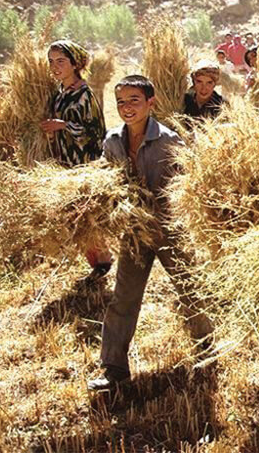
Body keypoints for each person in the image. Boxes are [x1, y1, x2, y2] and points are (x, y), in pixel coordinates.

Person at [88, 75, 213, 391]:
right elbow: (108, 180)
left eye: (134, 100)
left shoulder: (170, 140)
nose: (127, 108)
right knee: (123, 298)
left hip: (170, 230)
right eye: (121, 102)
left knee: (191, 293)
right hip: (135, 232)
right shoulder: (113, 141)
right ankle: (113, 366)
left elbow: (187, 184)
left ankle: (207, 352)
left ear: (150, 103)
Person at [42, 40, 111, 282]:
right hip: (66, 162)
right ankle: (94, 261)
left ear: (75, 64)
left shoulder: (84, 94)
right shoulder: (60, 95)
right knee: (75, 215)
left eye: (61, 61)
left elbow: (96, 131)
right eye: (51, 61)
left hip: (85, 163)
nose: (55, 66)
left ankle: (104, 262)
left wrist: (64, 126)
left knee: (88, 213)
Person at [182, 60, 229, 125]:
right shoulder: (183, 101)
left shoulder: (222, 105)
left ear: (215, 84)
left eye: (209, 83)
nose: (204, 88)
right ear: (194, 82)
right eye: (199, 81)